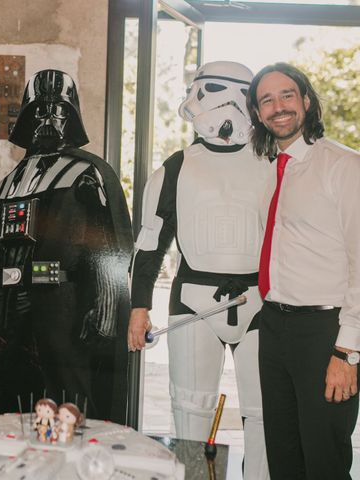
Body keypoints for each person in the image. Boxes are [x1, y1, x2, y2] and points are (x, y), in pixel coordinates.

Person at [0, 69, 133, 423]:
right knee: (3, 408)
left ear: (73, 117)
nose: (49, 118)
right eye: (40, 110)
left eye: (60, 110)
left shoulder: (86, 174)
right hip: (3, 314)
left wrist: (107, 311)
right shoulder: (7, 183)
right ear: (26, 117)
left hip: (60, 310)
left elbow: (108, 246)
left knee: (65, 407)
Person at [128, 61, 271, 479]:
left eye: (205, 92)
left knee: (264, 413)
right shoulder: (175, 167)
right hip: (193, 302)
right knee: (189, 411)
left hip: (262, 302)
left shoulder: (275, 161)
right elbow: (149, 243)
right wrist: (138, 306)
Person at [247, 62, 360, 479]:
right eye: (267, 100)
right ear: (257, 114)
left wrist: (347, 351)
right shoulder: (272, 172)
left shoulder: (344, 166)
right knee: (284, 457)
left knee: (324, 462)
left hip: (324, 333)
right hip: (274, 327)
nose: (278, 107)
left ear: (306, 101)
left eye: (287, 95)